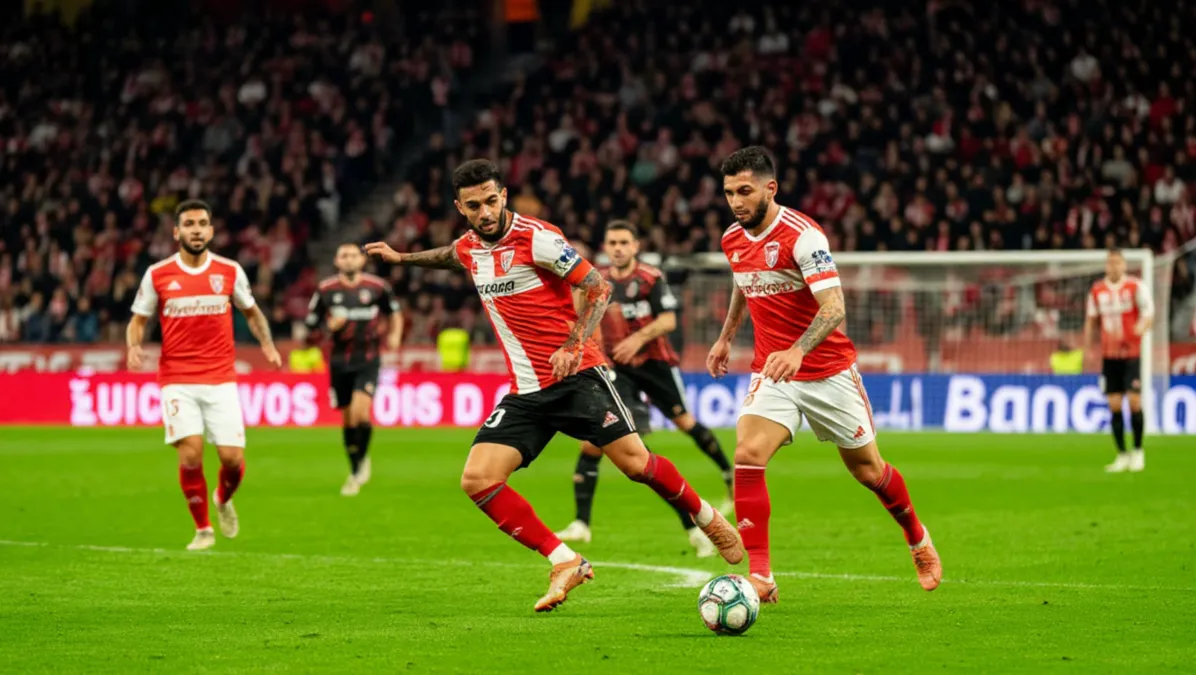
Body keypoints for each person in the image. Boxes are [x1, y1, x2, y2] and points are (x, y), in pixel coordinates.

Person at [365, 159, 743, 613]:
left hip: (577, 376)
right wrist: (402, 258)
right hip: (526, 391)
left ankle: (707, 517)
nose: (485, 212)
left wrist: (573, 344)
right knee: (478, 479)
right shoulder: (470, 246)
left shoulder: (538, 238)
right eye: (473, 206)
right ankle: (564, 560)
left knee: (637, 466)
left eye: (490, 201)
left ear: (503, 195)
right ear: (460, 207)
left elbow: (599, 287)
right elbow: (451, 255)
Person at [707, 147, 941, 604]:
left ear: (770, 188)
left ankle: (917, 538)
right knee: (748, 453)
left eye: (745, 191)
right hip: (773, 369)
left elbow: (835, 308)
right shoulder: (732, 238)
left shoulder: (804, 237)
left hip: (827, 371)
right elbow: (742, 282)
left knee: (868, 471)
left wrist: (797, 350)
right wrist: (725, 337)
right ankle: (761, 576)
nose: (736, 201)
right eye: (729, 192)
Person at [555, 221, 734, 558]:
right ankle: (582, 523)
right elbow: (580, 318)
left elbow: (668, 321)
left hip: (655, 366)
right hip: (619, 371)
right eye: (612, 242)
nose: (618, 247)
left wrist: (636, 338)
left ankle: (725, 477)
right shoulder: (597, 281)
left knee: (681, 425)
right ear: (605, 246)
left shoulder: (650, 278)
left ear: (635, 246)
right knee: (598, 442)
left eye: (624, 241)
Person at [127, 199, 282, 551]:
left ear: (211, 230)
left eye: (202, 223)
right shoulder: (157, 274)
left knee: (231, 458)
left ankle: (223, 499)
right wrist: (133, 346)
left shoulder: (229, 271)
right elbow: (138, 320)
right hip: (177, 379)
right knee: (191, 453)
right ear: (176, 231)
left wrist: (268, 346)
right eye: (189, 223)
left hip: (221, 377)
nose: (196, 229)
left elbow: (254, 313)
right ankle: (203, 530)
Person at [305, 243, 403, 495]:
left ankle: (361, 463)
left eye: (353, 255)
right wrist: (329, 327)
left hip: (368, 359)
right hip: (339, 362)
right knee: (348, 419)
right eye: (343, 256)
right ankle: (356, 467)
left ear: (362, 260)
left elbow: (395, 313)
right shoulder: (326, 290)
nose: (348, 260)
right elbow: (311, 326)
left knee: (361, 413)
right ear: (337, 261)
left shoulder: (377, 287)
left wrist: (394, 336)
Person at [1083, 248, 1152, 473]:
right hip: (1109, 356)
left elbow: (1148, 312)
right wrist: (1088, 347)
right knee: (1114, 404)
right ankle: (1122, 455)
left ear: (1124, 265)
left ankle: (1138, 451)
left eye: (1118, 263)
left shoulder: (1135, 286)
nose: (1114, 267)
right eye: (1110, 263)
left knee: (1134, 402)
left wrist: (1141, 327)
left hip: (1131, 354)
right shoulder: (1097, 290)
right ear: (1106, 265)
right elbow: (1091, 321)